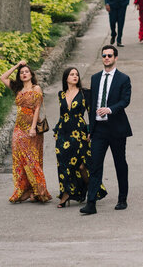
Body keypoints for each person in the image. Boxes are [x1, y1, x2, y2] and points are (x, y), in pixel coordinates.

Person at [80, 46, 131, 215]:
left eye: (110, 55)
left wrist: (109, 109)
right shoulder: (95, 78)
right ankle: (91, 202)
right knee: (95, 165)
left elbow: (125, 101)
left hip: (116, 128)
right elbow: (92, 103)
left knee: (120, 164)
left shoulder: (123, 78)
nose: (107, 58)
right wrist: (90, 128)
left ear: (115, 58)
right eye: (104, 55)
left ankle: (122, 199)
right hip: (99, 129)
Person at [0, 61, 52, 203]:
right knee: (19, 160)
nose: (24, 74)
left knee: (32, 160)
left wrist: (33, 128)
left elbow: (37, 109)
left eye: (26, 72)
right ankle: (23, 190)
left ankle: (40, 191)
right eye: (21, 73)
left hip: (32, 128)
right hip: (18, 128)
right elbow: (2, 78)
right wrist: (17, 65)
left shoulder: (36, 88)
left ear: (31, 75)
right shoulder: (18, 89)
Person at [54, 66, 105, 208]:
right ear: (66, 78)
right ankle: (65, 194)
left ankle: (91, 189)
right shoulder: (61, 94)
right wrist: (57, 130)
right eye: (72, 74)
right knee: (64, 165)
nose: (75, 76)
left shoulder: (84, 93)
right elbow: (62, 114)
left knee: (83, 166)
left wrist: (91, 131)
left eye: (77, 74)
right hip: (63, 133)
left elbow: (91, 113)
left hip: (79, 132)